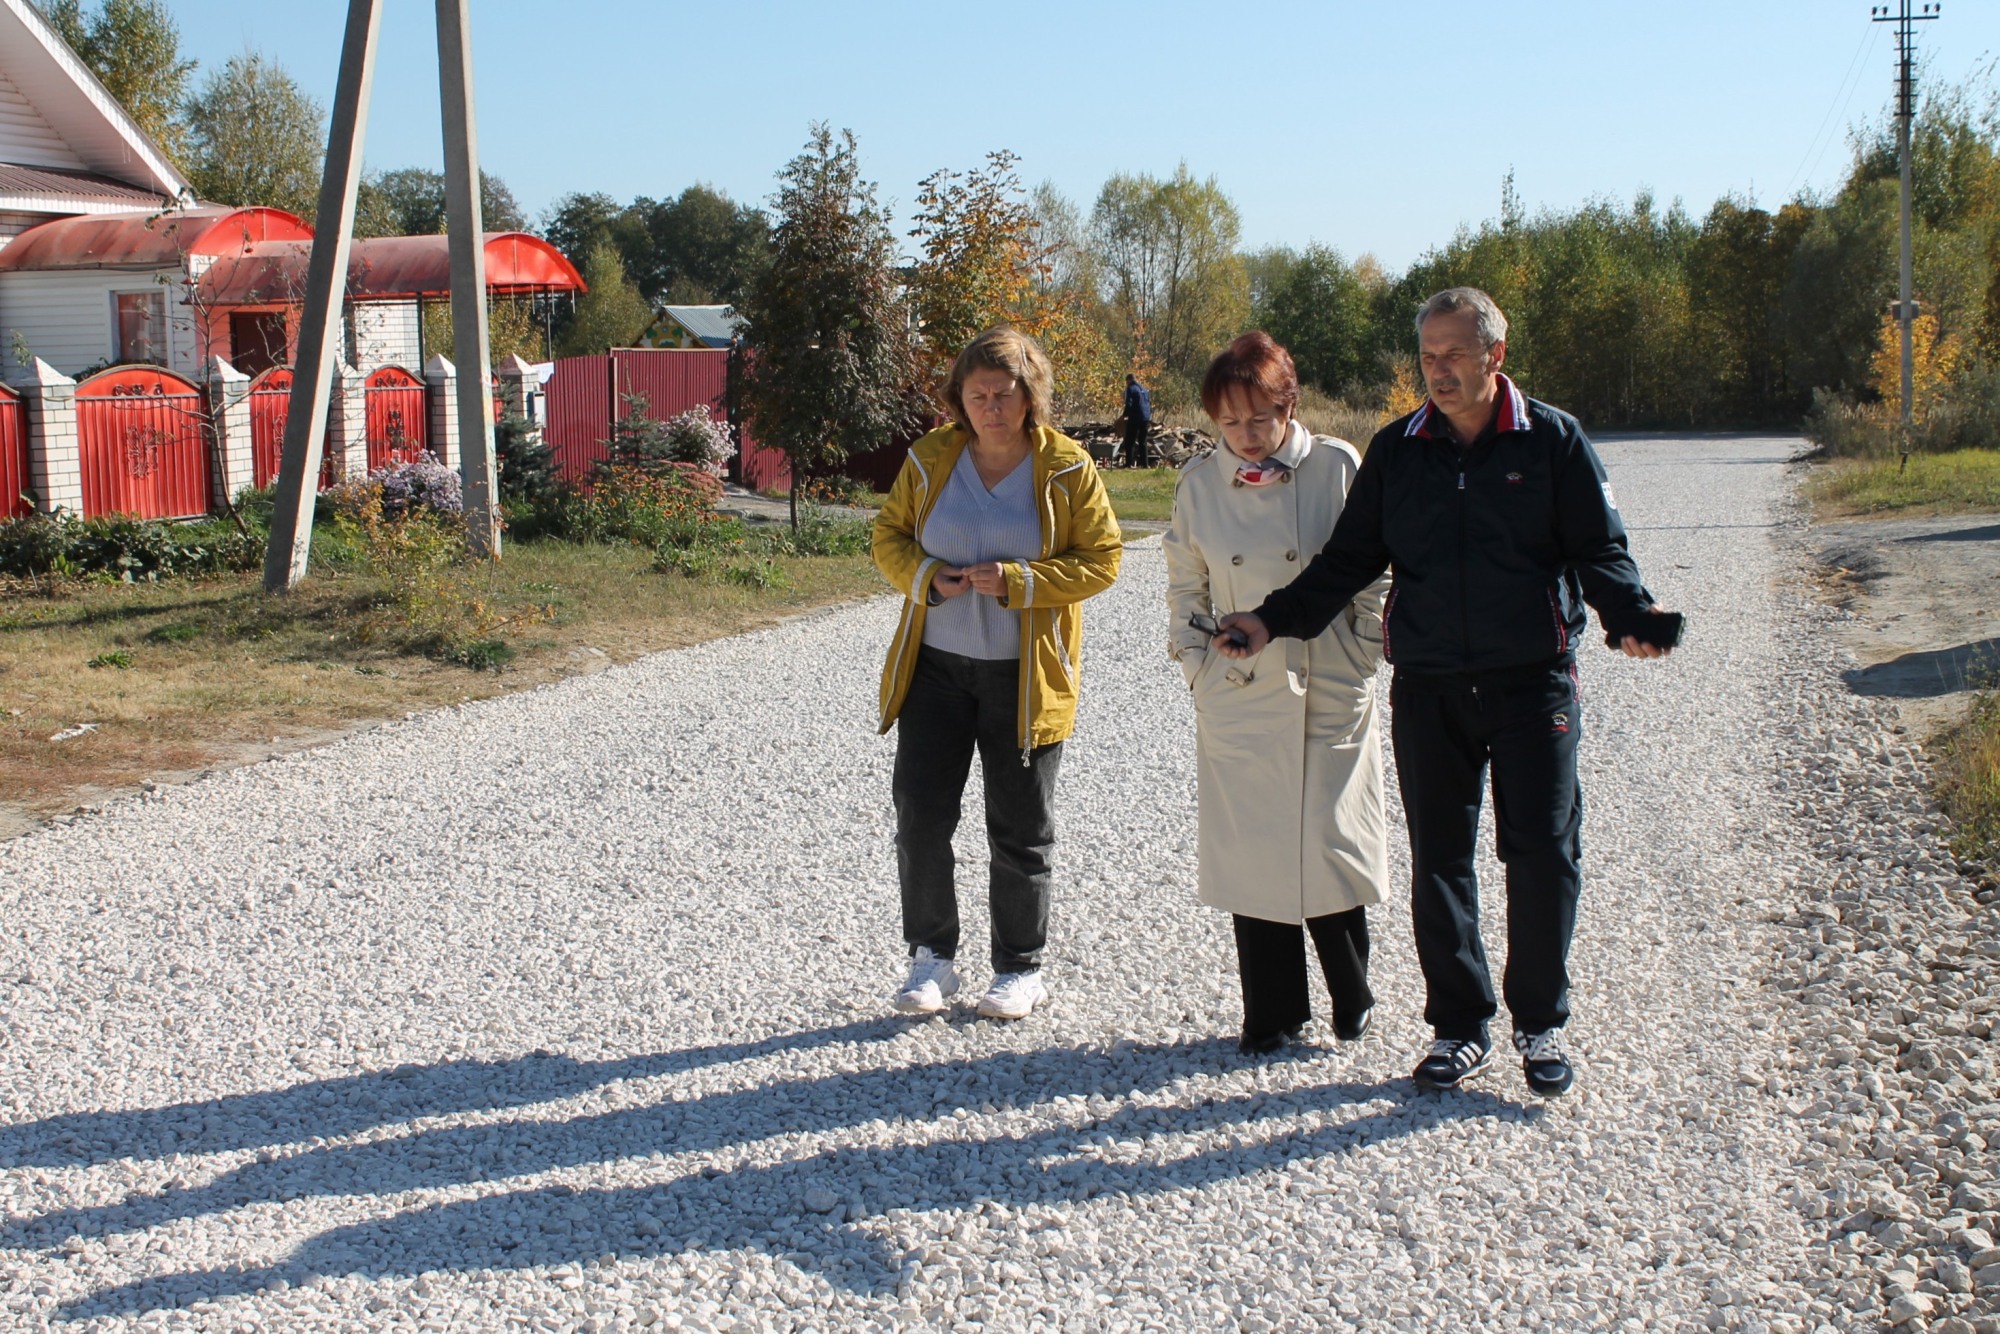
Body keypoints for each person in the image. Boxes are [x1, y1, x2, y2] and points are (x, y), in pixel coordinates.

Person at [1215, 288, 1678, 1098]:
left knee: (1540, 853)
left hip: (1533, 683)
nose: (1439, 371)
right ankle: (1460, 1025)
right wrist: (1270, 620)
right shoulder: (1400, 449)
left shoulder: (1553, 441)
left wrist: (1630, 615)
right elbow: (1347, 562)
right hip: (1430, 686)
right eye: (1428, 356)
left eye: (1455, 355)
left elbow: (1601, 548)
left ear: (1496, 356)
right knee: (1440, 862)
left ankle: (1540, 1023)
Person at [872, 326, 1123, 1020]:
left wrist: (1022, 582)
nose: (990, 406)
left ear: (1029, 396)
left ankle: (1020, 968)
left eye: (1004, 394)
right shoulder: (929, 459)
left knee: (1019, 827)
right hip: (935, 672)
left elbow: (1103, 558)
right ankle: (932, 959)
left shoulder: (1069, 468)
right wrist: (926, 576)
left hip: (1024, 676)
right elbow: (888, 536)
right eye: (976, 394)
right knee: (921, 816)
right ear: (959, 398)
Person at [1164, 332, 1391, 1054]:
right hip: (1239, 686)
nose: (1246, 436)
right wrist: (1198, 664)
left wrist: (1363, 651)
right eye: (1229, 423)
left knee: (1331, 841)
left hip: (1327, 674)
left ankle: (1351, 995)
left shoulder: (1336, 466)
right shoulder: (1199, 482)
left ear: (1288, 404)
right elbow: (1183, 584)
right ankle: (1271, 1012)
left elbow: (1376, 567)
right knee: (1254, 851)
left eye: (1259, 419)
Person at [1121, 374, 1153, 468]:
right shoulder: (1144, 390)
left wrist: (1125, 415)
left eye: (1126, 382)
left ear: (1128, 380)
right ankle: (1145, 464)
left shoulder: (1130, 389)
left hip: (1135, 417)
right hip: (1146, 418)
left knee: (1129, 441)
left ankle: (1129, 463)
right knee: (1143, 441)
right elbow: (1147, 403)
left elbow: (1129, 403)